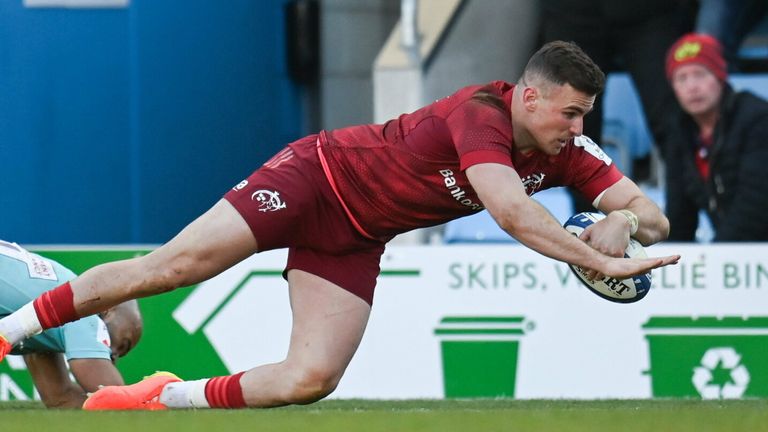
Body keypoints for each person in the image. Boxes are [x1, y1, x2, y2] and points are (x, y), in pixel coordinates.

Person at [0, 41, 679, 410]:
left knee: (310, 379)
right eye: (568, 113)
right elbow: (510, 212)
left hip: (356, 235)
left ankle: (154, 401)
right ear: (528, 97)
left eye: (585, 114)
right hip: (314, 178)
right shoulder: (482, 112)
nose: (579, 128)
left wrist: (621, 216)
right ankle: (9, 332)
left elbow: (658, 220)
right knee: (169, 269)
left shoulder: (570, 151)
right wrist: (603, 262)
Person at [539, 0, 695, 210]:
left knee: (673, 124)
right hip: (572, 12)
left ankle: (681, 233)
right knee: (574, 129)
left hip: (650, 11)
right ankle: (586, 227)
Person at [0, 239, 143, 408]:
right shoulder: (87, 311)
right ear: (108, 309)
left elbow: (61, 398)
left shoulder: (48, 322)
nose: (115, 354)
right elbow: (120, 403)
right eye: (123, 344)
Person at [664, 33, 768, 241]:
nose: (692, 86)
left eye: (700, 74)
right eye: (681, 78)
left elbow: (756, 203)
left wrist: (717, 255)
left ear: (720, 78)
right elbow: (679, 214)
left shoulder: (757, 117)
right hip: (732, 251)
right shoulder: (680, 132)